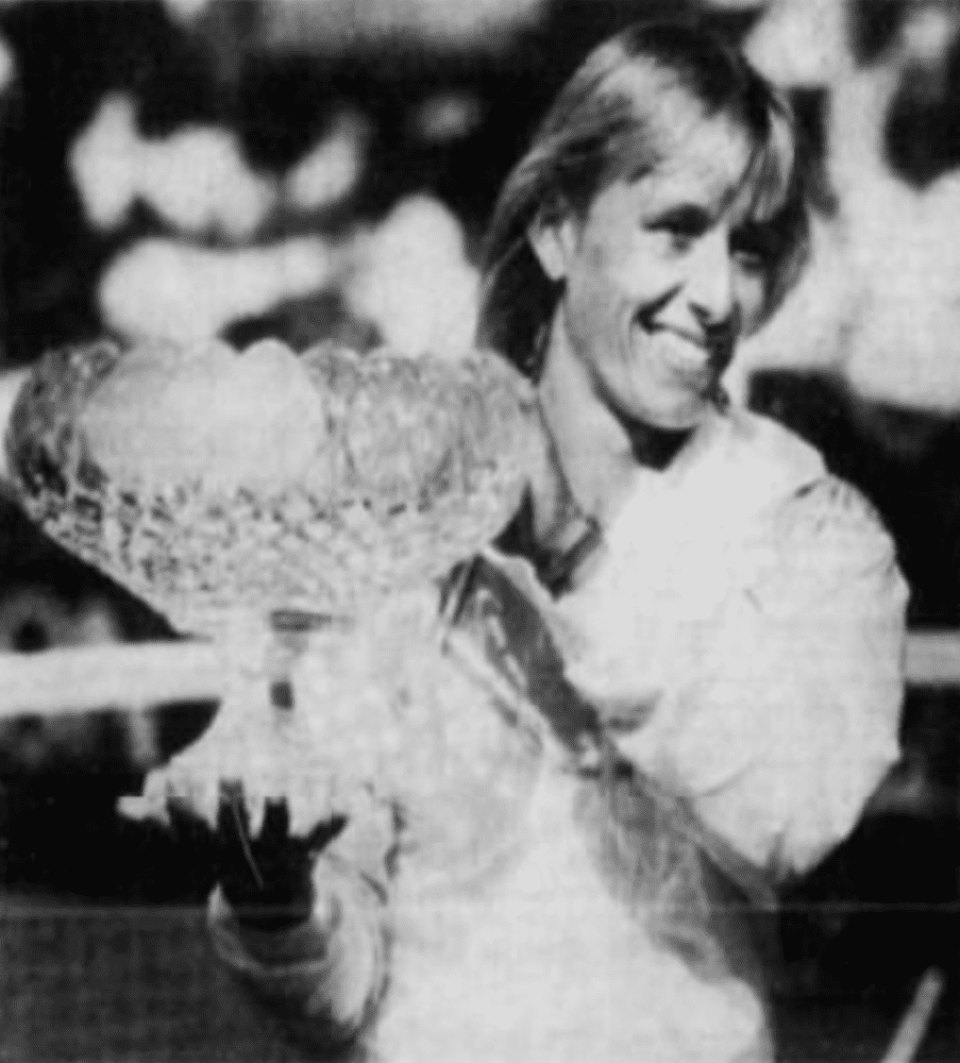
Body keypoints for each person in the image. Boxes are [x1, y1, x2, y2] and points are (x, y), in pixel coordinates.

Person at [155, 19, 907, 1063]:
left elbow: (789, 810)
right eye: (678, 229)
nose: (719, 294)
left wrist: (578, 551)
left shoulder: (805, 528)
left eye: (747, 246)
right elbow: (349, 990)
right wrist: (277, 902)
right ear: (558, 230)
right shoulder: (407, 520)